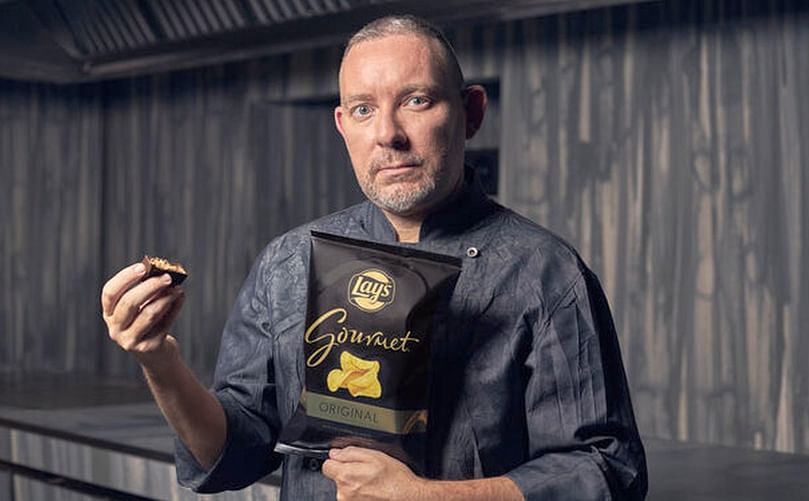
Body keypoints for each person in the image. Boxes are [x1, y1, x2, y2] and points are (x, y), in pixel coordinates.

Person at [101, 15, 647, 501]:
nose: (388, 134)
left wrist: (425, 498)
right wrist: (159, 360)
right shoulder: (288, 262)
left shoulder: (546, 272)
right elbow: (234, 451)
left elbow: (607, 470)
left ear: (471, 112)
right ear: (344, 127)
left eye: (417, 100)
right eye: (364, 109)